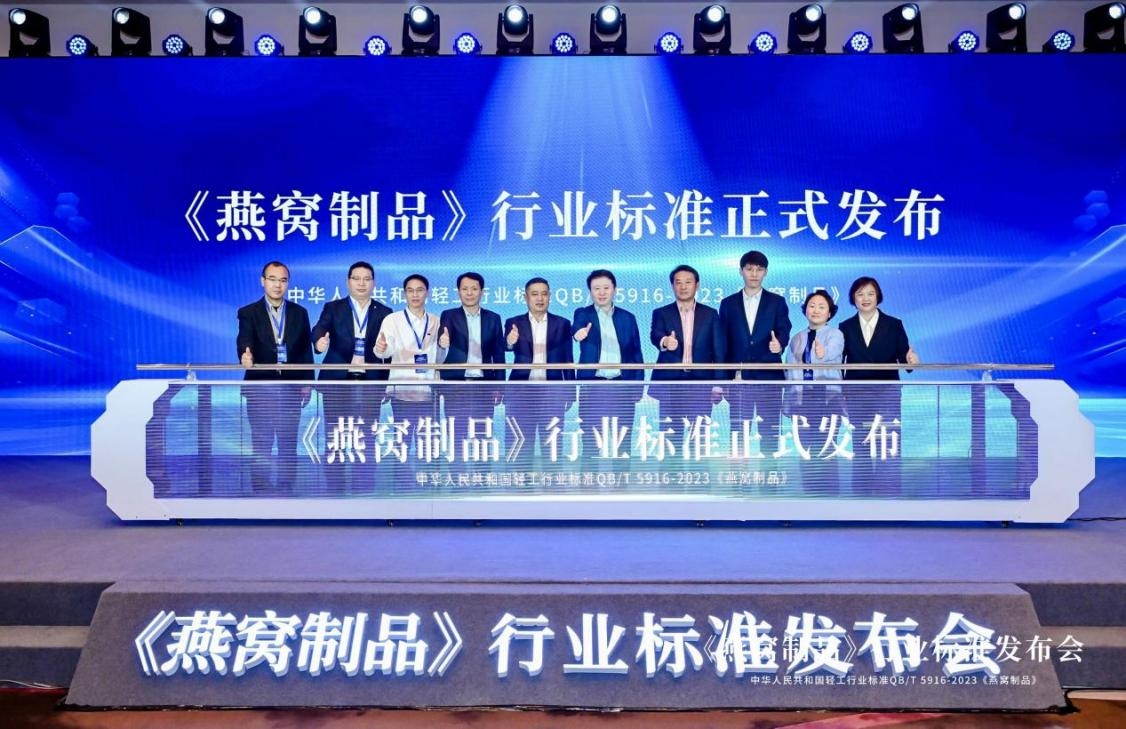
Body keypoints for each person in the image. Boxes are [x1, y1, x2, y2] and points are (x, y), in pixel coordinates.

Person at [311, 261, 393, 493]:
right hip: (338, 381)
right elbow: (319, 329)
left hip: (370, 382)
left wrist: (387, 381)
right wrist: (319, 342)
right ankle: (335, 487)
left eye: (367, 279)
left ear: (373, 283)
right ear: (348, 282)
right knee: (336, 435)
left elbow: (390, 351)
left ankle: (363, 486)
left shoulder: (384, 312)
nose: (361, 283)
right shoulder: (333, 308)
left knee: (366, 436)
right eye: (356, 278)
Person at [236, 261, 314, 494]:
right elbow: (244, 340)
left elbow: (305, 351)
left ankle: (286, 485)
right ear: (263, 281)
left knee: (288, 441)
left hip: (290, 388)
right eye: (272, 279)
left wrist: (307, 383)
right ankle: (260, 487)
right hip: (261, 387)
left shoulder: (300, 313)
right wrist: (244, 356)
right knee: (261, 441)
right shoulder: (248, 312)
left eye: (282, 280)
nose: (277, 285)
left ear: (287, 283)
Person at [838, 276, 919, 494]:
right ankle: (862, 488)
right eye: (860, 294)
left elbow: (905, 359)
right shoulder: (845, 327)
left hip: (887, 391)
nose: (865, 298)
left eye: (870, 294)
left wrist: (911, 360)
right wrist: (841, 393)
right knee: (861, 440)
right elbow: (838, 362)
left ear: (878, 296)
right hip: (856, 392)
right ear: (853, 298)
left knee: (888, 440)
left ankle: (888, 488)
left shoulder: (894, 324)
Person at [718, 251, 792, 455]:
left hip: (769, 377)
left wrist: (780, 344)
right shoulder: (728, 303)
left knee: (770, 432)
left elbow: (784, 329)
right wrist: (724, 379)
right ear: (741, 271)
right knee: (738, 433)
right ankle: (737, 473)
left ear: (765, 272)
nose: (754, 274)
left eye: (759, 269)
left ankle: (770, 473)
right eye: (749, 269)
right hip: (739, 378)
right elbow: (722, 341)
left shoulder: (777, 302)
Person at [571, 269, 644, 460]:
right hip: (593, 387)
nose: (601, 292)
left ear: (614, 290)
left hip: (623, 386)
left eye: (606, 288)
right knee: (591, 443)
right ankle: (590, 478)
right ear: (590, 291)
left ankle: (622, 478)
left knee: (623, 444)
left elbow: (636, 353)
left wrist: (638, 386)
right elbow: (576, 329)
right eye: (596, 288)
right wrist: (578, 334)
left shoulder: (628, 317)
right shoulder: (583, 314)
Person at [504, 277, 575, 466]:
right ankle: (520, 482)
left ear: (550, 296)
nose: (540, 298)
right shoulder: (514, 322)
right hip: (521, 392)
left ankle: (552, 482)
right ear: (526, 297)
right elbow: (506, 346)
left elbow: (568, 359)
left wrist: (570, 392)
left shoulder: (562, 324)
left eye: (544, 294)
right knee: (520, 444)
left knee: (552, 446)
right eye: (534, 294)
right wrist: (510, 341)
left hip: (552, 392)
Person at [649, 264, 725, 428]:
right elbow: (655, 335)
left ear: (697, 285)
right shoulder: (661, 313)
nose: (683, 287)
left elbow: (719, 351)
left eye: (688, 282)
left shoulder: (710, 314)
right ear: (672, 286)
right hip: (671, 383)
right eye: (678, 282)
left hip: (701, 383)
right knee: (669, 434)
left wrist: (718, 384)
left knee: (698, 435)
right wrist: (665, 341)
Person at [784, 290, 845, 495]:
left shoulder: (835, 334)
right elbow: (789, 370)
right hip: (802, 399)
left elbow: (833, 353)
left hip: (827, 397)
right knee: (805, 448)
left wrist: (821, 353)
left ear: (829, 313)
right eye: (812, 306)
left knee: (826, 446)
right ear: (805, 310)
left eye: (821, 307)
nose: (816, 310)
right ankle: (810, 495)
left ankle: (830, 496)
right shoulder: (797, 338)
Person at [438, 272, 505, 442]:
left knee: (482, 436)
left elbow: (498, 354)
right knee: (456, 436)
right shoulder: (449, 315)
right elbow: (442, 338)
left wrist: (500, 386)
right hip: (456, 385)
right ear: (458, 292)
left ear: (482, 291)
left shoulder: (493, 318)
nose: (469, 293)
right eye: (465, 289)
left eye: (474, 289)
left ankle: (481, 461)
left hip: (484, 385)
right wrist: (443, 341)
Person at [374, 274, 447, 428]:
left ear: (427, 293)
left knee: (428, 438)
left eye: (419, 290)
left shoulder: (436, 321)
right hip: (402, 390)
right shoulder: (392, 319)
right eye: (410, 290)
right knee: (402, 438)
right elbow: (384, 352)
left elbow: (440, 359)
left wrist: (443, 345)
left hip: (429, 391)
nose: (415, 295)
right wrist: (381, 348)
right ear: (404, 294)